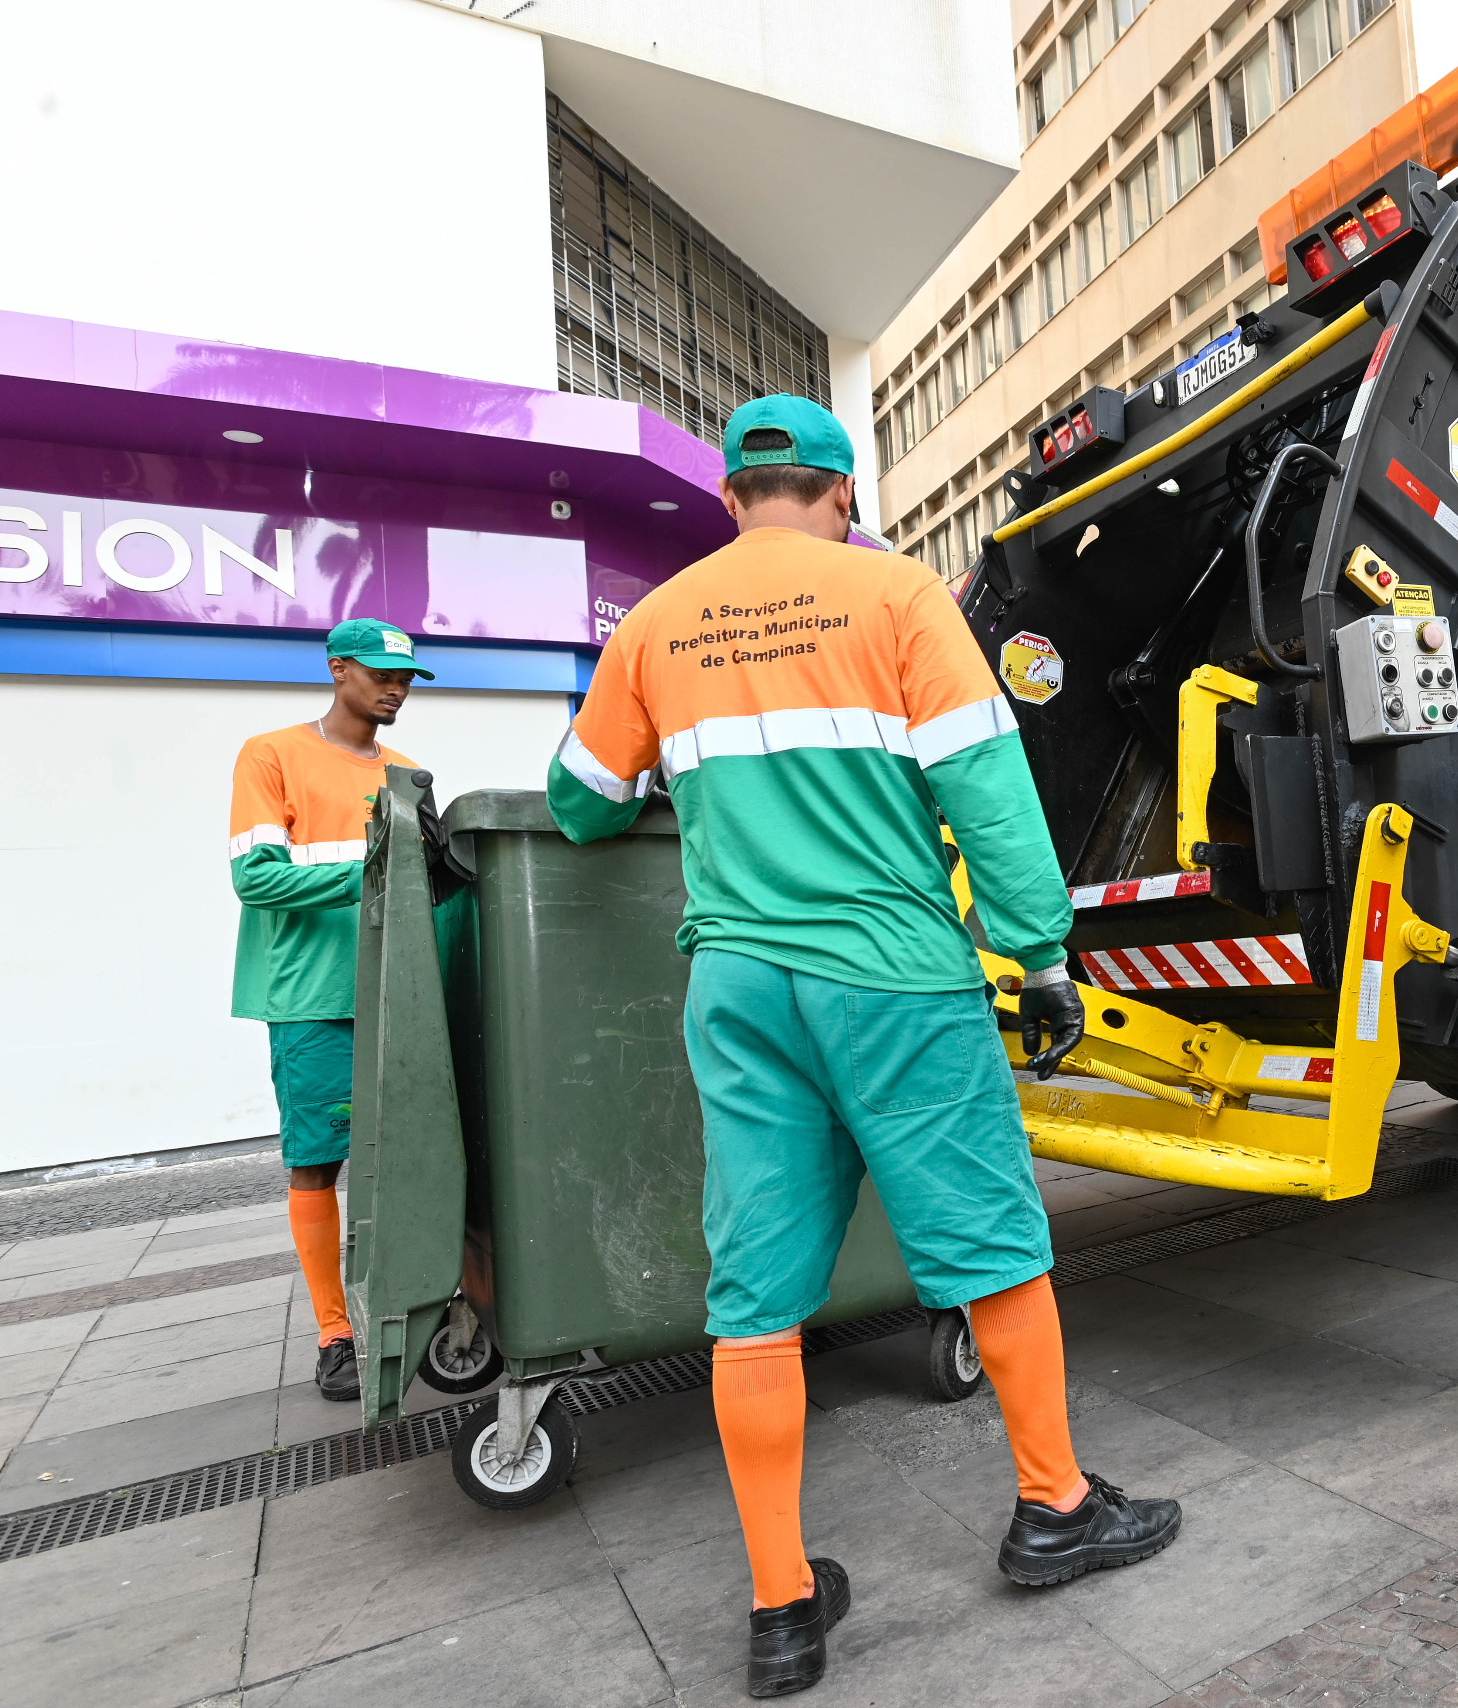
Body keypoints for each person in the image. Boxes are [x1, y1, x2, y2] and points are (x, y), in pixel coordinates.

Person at [547, 395, 1181, 1699]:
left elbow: (577, 801)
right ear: (842, 494)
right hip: (893, 979)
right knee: (993, 1244)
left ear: (730, 498)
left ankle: (782, 1607)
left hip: (737, 990)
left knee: (756, 1299)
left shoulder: (655, 625)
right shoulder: (896, 601)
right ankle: (1052, 1507)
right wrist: (1041, 953)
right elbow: (987, 790)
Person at [228, 620, 435, 1404]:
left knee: (414, 1155)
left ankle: (408, 1297)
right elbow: (256, 879)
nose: (396, 688)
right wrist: (373, 873)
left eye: (407, 678)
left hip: (399, 992)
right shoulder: (271, 753)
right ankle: (334, 1335)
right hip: (311, 998)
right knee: (317, 1161)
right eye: (381, 673)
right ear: (337, 667)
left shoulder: (409, 775)